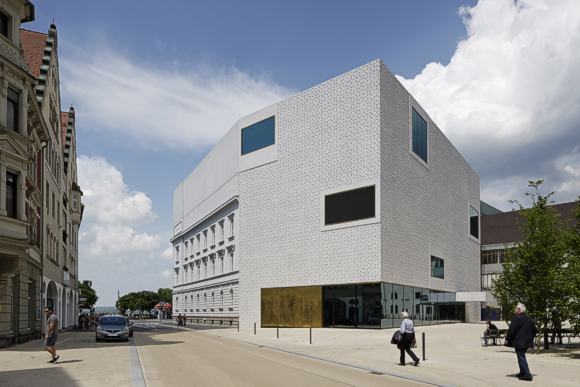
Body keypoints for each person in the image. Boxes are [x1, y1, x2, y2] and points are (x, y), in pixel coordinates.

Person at [505, 303, 537, 381]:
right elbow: (535, 330)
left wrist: (508, 338)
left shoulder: (517, 318)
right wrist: (530, 339)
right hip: (526, 342)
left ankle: (527, 375)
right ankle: (522, 372)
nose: (514, 310)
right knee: (521, 357)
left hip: (519, 342)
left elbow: (511, 330)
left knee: (521, 357)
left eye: (516, 308)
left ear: (519, 310)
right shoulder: (529, 318)